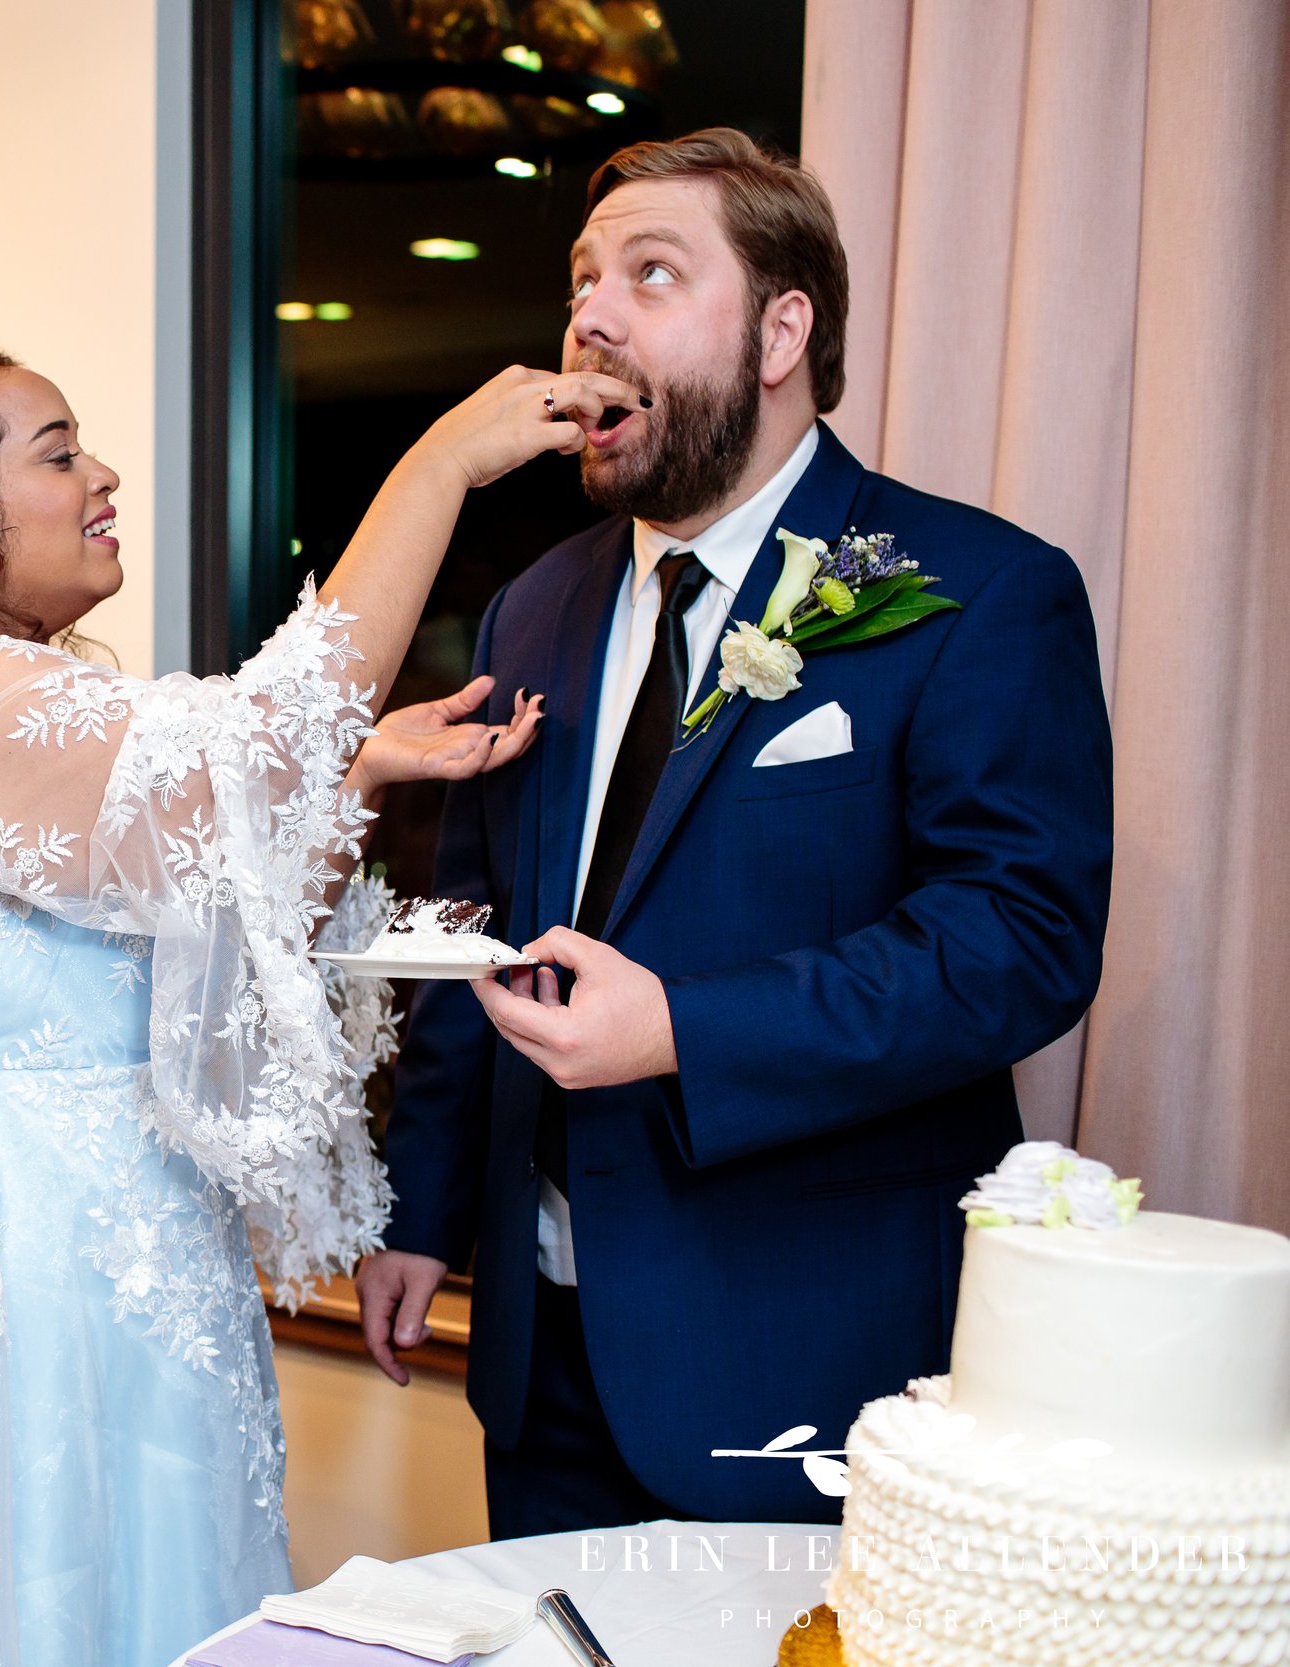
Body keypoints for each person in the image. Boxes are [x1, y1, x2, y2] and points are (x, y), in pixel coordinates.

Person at [0, 330, 612, 1665]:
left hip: (52, 1251)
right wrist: (439, 467)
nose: (102, 473)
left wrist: (350, 780)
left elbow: (203, 937)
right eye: (57, 452)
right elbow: (256, 747)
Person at [355, 129, 1113, 1535]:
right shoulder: (536, 607)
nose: (590, 315)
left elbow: (1023, 943)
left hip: (806, 1354)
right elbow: (471, 924)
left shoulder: (973, 589)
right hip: (543, 1361)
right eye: (583, 280)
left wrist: (688, 1029)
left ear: (781, 329)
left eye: (651, 274)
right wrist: (421, 1209)